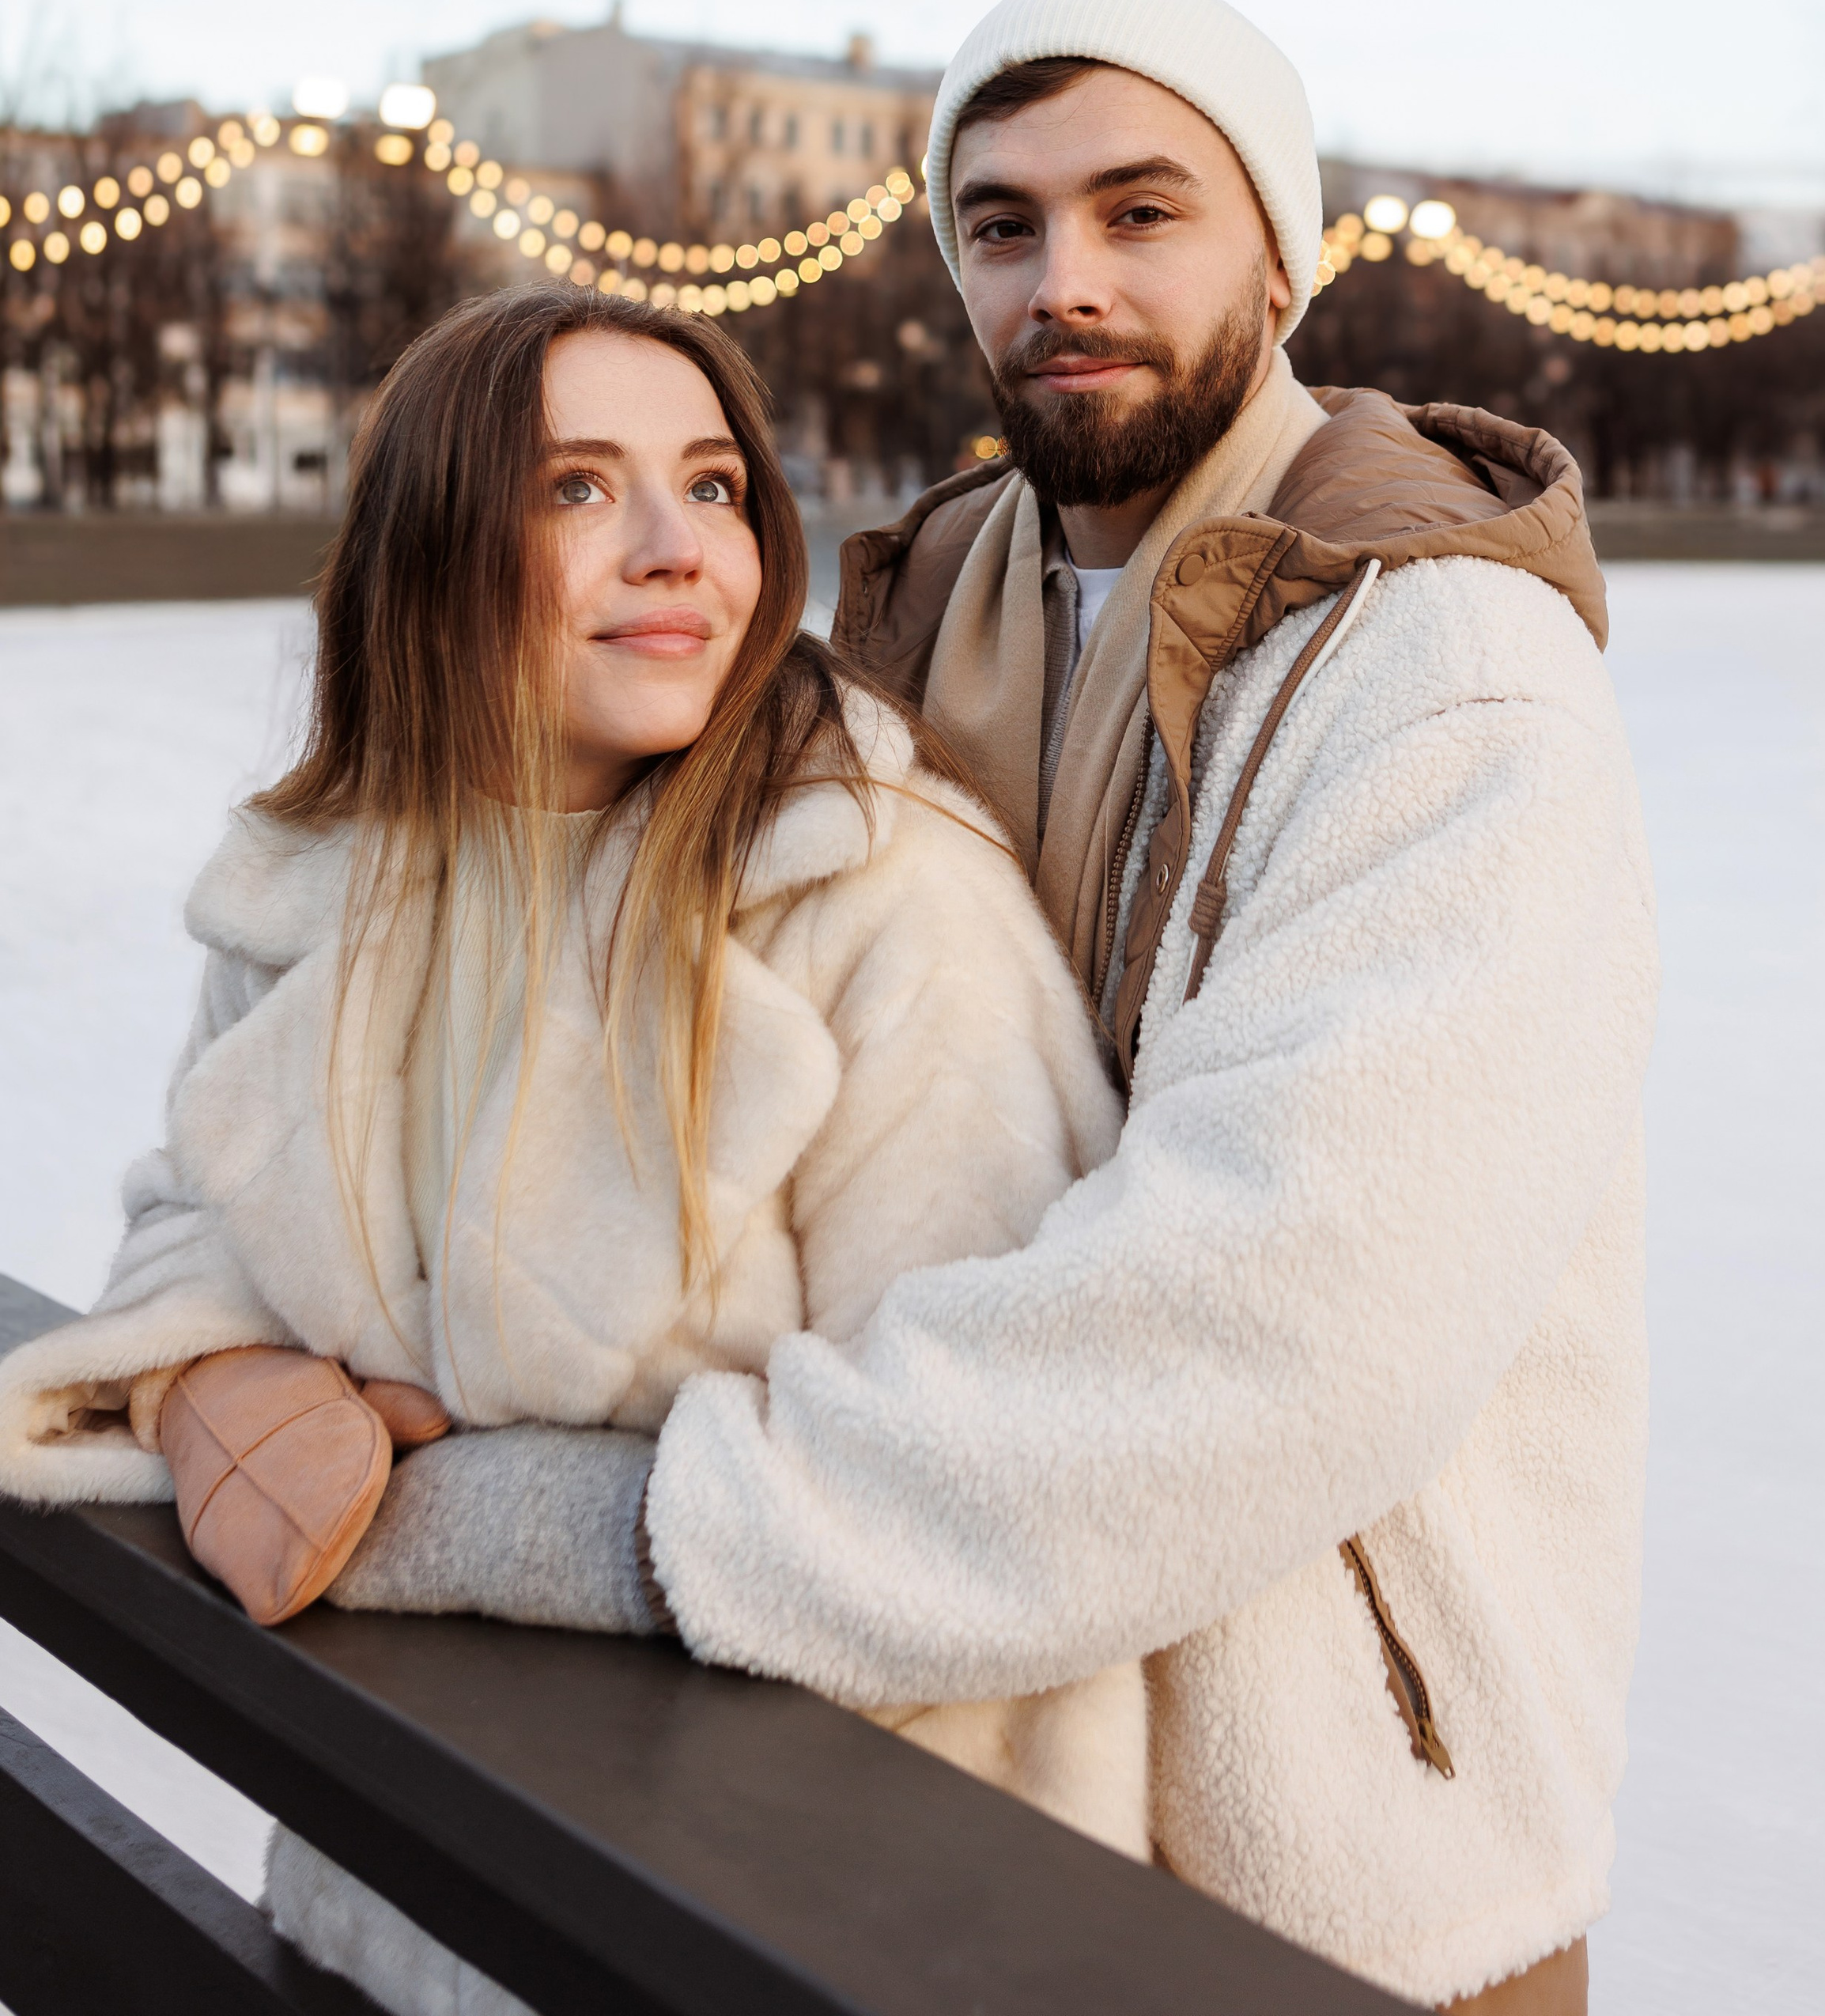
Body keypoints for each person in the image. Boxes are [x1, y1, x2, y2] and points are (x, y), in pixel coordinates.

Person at [0, 285, 1144, 2014]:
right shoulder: (319, 891)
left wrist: (435, 1516)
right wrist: (202, 1386)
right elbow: (198, 1216)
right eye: (578, 489)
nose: (684, 549)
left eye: (714, 485)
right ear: (433, 548)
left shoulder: (880, 907)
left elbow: (989, 1479)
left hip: (818, 1914)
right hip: (400, 1895)